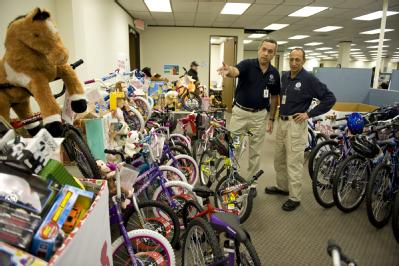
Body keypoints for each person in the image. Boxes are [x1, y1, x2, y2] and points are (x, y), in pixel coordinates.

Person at [265, 48, 336, 211]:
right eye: (291, 59)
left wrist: (309, 114)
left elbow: (330, 98)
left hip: (295, 125)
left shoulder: (309, 79)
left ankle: (295, 197)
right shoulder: (285, 76)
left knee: (294, 162)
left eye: (298, 60)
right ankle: (283, 187)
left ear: (303, 61)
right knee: (279, 158)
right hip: (281, 122)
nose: (294, 63)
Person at [217, 39, 281, 194]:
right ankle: (231, 179)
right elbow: (235, 71)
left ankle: (252, 184)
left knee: (256, 151)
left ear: (274, 54)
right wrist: (228, 70)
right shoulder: (247, 64)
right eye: (264, 49)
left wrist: (271, 119)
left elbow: (274, 97)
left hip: (259, 116)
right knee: (235, 148)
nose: (266, 53)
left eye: (270, 51)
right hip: (240, 114)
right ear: (259, 49)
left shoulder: (274, 73)